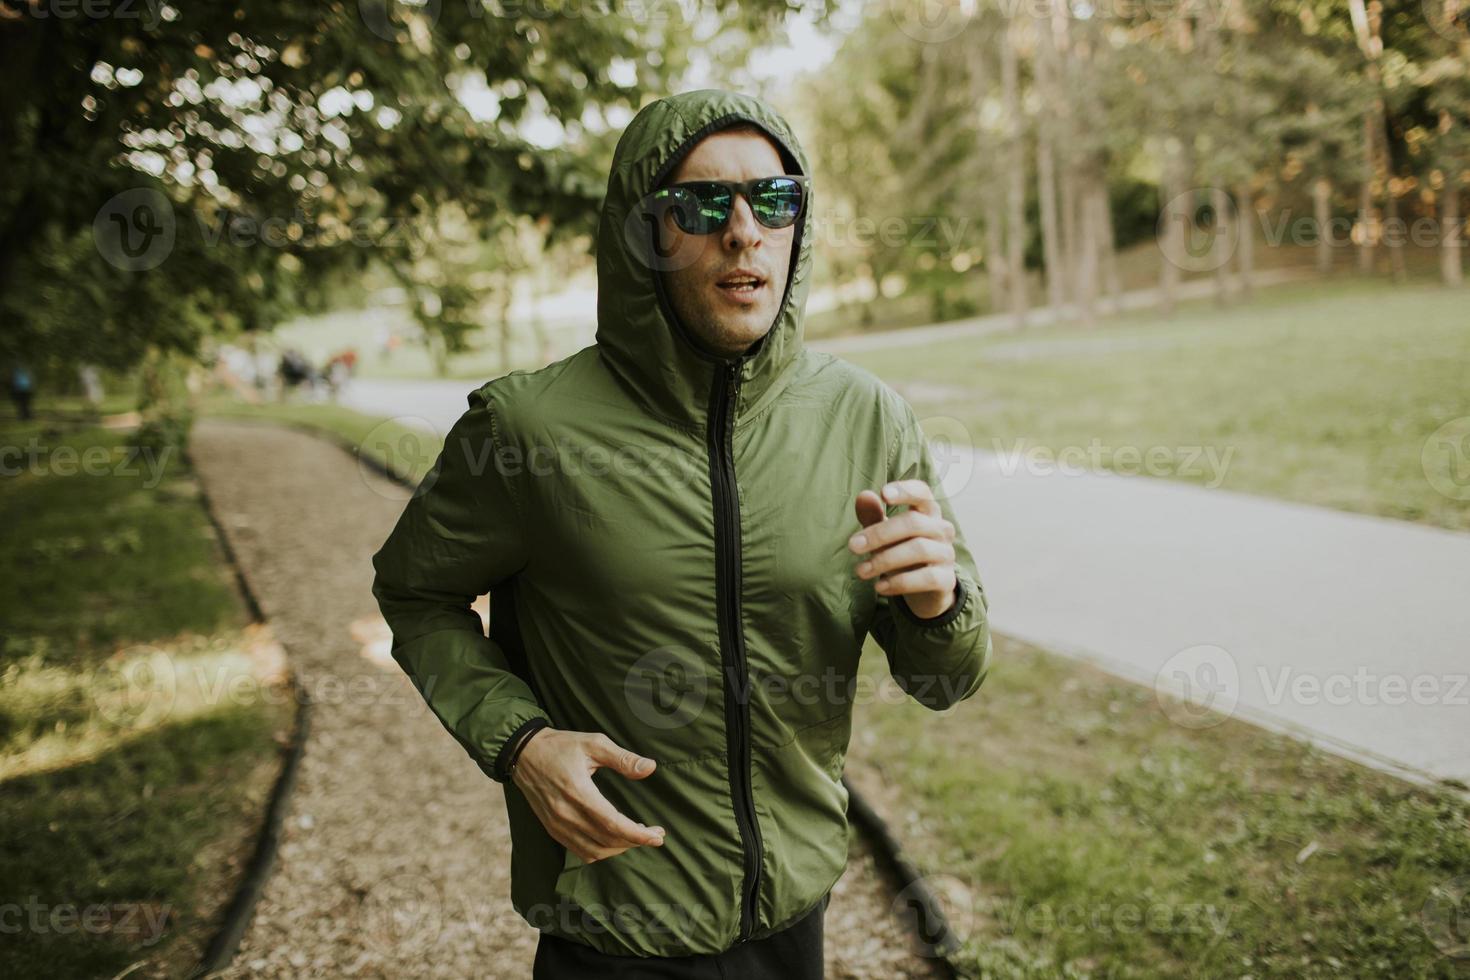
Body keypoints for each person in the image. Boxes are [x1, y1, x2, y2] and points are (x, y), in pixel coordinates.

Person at [371, 89, 993, 978]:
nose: (742, 231)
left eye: (773, 201)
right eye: (702, 206)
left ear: (796, 229)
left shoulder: (867, 419)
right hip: (613, 933)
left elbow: (945, 680)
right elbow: (414, 591)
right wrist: (519, 742)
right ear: (643, 234)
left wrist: (941, 607)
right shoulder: (527, 431)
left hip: (792, 922)